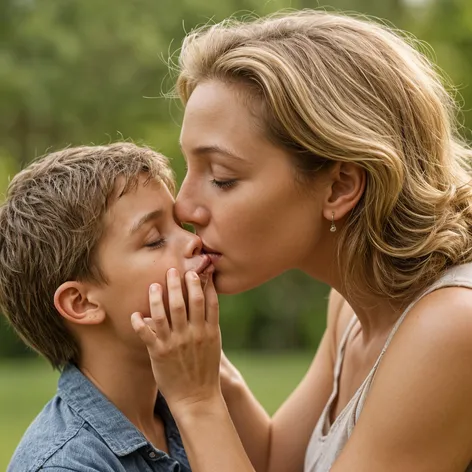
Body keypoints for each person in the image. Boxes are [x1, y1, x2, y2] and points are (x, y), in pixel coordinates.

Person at [132, 9, 472, 472]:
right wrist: (198, 361)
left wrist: (196, 401)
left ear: (339, 187)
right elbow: (276, 462)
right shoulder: (352, 306)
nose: (183, 207)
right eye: (189, 169)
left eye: (223, 178)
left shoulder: (452, 327)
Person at [0, 142, 215, 471]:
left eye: (180, 226)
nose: (193, 241)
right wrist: (199, 404)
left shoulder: (190, 398)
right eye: (154, 239)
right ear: (82, 303)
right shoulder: (66, 465)